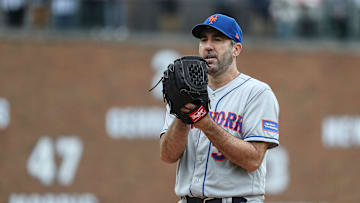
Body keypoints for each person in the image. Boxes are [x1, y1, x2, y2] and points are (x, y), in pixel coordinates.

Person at [159, 14, 280, 203]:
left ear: (236, 49)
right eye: (203, 40)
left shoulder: (256, 93)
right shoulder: (184, 91)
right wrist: (182, 116)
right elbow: (167, 155)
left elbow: (253, 160)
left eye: (217, 39)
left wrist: (206, 124)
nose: (208, 46)